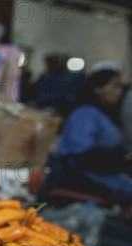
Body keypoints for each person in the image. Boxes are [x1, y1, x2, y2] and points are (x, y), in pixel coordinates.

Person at [54, 66, 132, 204]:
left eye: (120, 88)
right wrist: (121, 163)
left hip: (102, 171)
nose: (119, 93)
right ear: (98, 89)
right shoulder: (85, 114)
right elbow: (83, 156)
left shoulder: (105, 114)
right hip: (81, 174)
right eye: (115, 87)